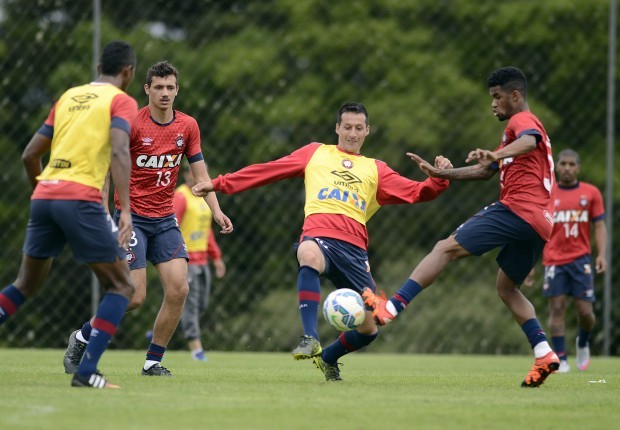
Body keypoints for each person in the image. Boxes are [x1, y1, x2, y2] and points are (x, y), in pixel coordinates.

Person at [191, 102, 452, 381]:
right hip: (319, 235)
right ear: (337, 128)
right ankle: (310, 338)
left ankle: (328, 358)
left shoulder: (377, 169)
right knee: (308, 253)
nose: (352, 133)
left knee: (371, 327)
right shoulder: (315, 153)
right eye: (347, 127)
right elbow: (269, 170)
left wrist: (440, 178)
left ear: (367, 131)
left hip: (354, 251)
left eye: (359, 128)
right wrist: (219, 183)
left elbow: (418, 192)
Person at [362, 66, 560, 388]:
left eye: (497, 97)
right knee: (507, 288)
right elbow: (485, 171)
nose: (493, 104)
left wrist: (496, 152)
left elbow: (528, 141)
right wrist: (443, 174)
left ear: (514, 95)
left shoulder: (522, 121)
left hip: (518, 209)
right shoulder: (516, 132)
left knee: (444, 248)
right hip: (541, 222)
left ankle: (392, 308)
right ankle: (544, 353)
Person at [63, 60, 233, 377]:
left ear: (177, 90)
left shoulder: (188, 126)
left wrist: (217, 211)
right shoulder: (132, 123)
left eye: (170, 87)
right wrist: (103, 213)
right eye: (159, 87)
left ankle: (152, 362)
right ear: (147, 89)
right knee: (134, 295)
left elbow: (201, 176)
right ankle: (83, 336)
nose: (165, 93)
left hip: (165, 220)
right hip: (132, 219)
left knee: (179, 289)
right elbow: (106, 170)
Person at [0, 41, 138, 388]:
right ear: (128, 72)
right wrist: (126, 210)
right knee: (122, 286)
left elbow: (30, 155)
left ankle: (86, 371)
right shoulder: (121, 100)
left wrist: (43, 193)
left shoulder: (67, 97)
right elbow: (120, 151)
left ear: (98, 68)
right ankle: (87, 372)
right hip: (80, 198)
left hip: (45, 194)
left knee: (25, 284)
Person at [534, 149, 606, 373]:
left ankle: (582, 342)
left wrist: (601, 254)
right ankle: (561, 359)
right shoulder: (547, 193)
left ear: (578, 168)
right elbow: (537, 229)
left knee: (586, 313)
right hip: (553, 260)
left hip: (580, 260)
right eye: (563, 164)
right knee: (556, 308)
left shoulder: (591, 193)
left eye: (571, 164)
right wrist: (530, 264)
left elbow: (599, 226)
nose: (567, 168)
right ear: (556, 166)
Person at [173, 162, 227, 362]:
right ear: (185, 174)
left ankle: (158, 331)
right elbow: (172, 226)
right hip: (187, 260)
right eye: (190, 172)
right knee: (191, 306)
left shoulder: (205, 196)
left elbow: (206, 230)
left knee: (201, 304)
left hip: (202, 260)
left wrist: (216, 256)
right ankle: (196, 349)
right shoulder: (181, 197)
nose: (193, 176)